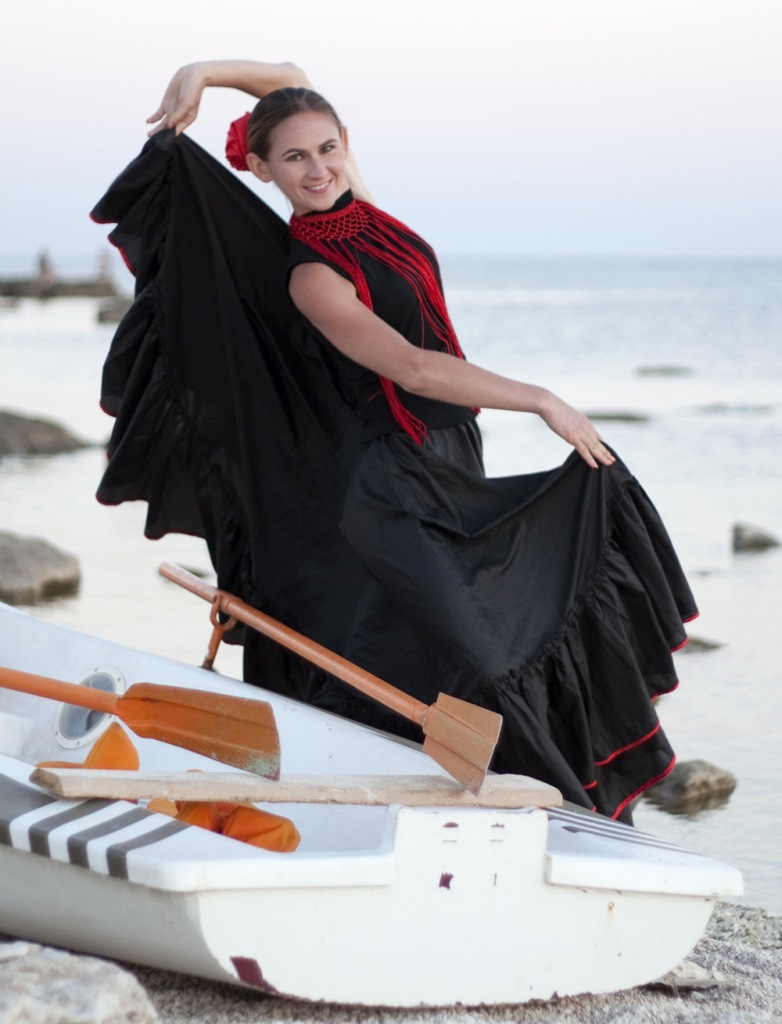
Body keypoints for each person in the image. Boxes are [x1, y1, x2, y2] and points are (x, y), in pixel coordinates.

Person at [93, 60, 697, 822]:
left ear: (346, 144)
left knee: (470, 642)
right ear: (262, 170)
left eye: (327, 148)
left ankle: (551, 818)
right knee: (476, 656)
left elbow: (288, 79)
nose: (317, 168)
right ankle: (551, 812)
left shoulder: (365, 211)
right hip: (392, 481)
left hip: (450, 459)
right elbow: (413, 368)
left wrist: (203, 73)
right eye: (293, 158)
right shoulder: (312, 276)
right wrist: (541, 400)